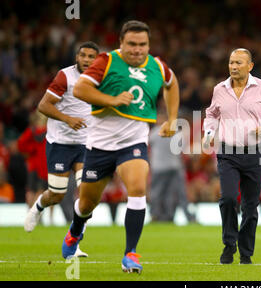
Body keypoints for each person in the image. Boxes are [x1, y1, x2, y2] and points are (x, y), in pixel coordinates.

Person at [60, 20, 179, 274]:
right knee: (87, 204)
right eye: (132, 44)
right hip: (99, 146)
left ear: (149, 45)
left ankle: (130, 254)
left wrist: (172, 117)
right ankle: (75, 231)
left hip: (132, 143)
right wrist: (112, 100)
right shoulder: (106, 61)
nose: (137, 50)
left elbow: (172, 83)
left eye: (143, 44)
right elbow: (80, 88)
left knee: (137, 188)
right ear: (121, 44)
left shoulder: (157, 65)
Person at [203, 48, 261, 264]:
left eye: (238, 63)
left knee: (250, 205)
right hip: (227, 152)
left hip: (255, 153)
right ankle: (229, 244)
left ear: (250, 66)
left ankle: (246, 253)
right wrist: (209, 132)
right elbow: (211, 113)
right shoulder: (219, 89)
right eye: (231, 62)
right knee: (228, 198)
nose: (233, 67)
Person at [23, 42, 99, 251]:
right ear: (77, 57)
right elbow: (43, 105)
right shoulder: (65, 76)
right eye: (83, 55)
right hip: (60, 144)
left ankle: (74, 240)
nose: (86, 59)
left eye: (91, 56)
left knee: (87, 194)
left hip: (86, 144)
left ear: (97, 59)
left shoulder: (101, 79)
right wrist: (67, 119)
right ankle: (38, 206)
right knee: (57, 194)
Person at [149, 115, 194, 223]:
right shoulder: (177, 133)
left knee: (157, 193)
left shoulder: (154, 133)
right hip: (175, 167)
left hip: (158, 168)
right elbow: (184, 150)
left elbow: (149, 145)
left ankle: (155, 216)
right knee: (177, 193)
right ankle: (182, 216)